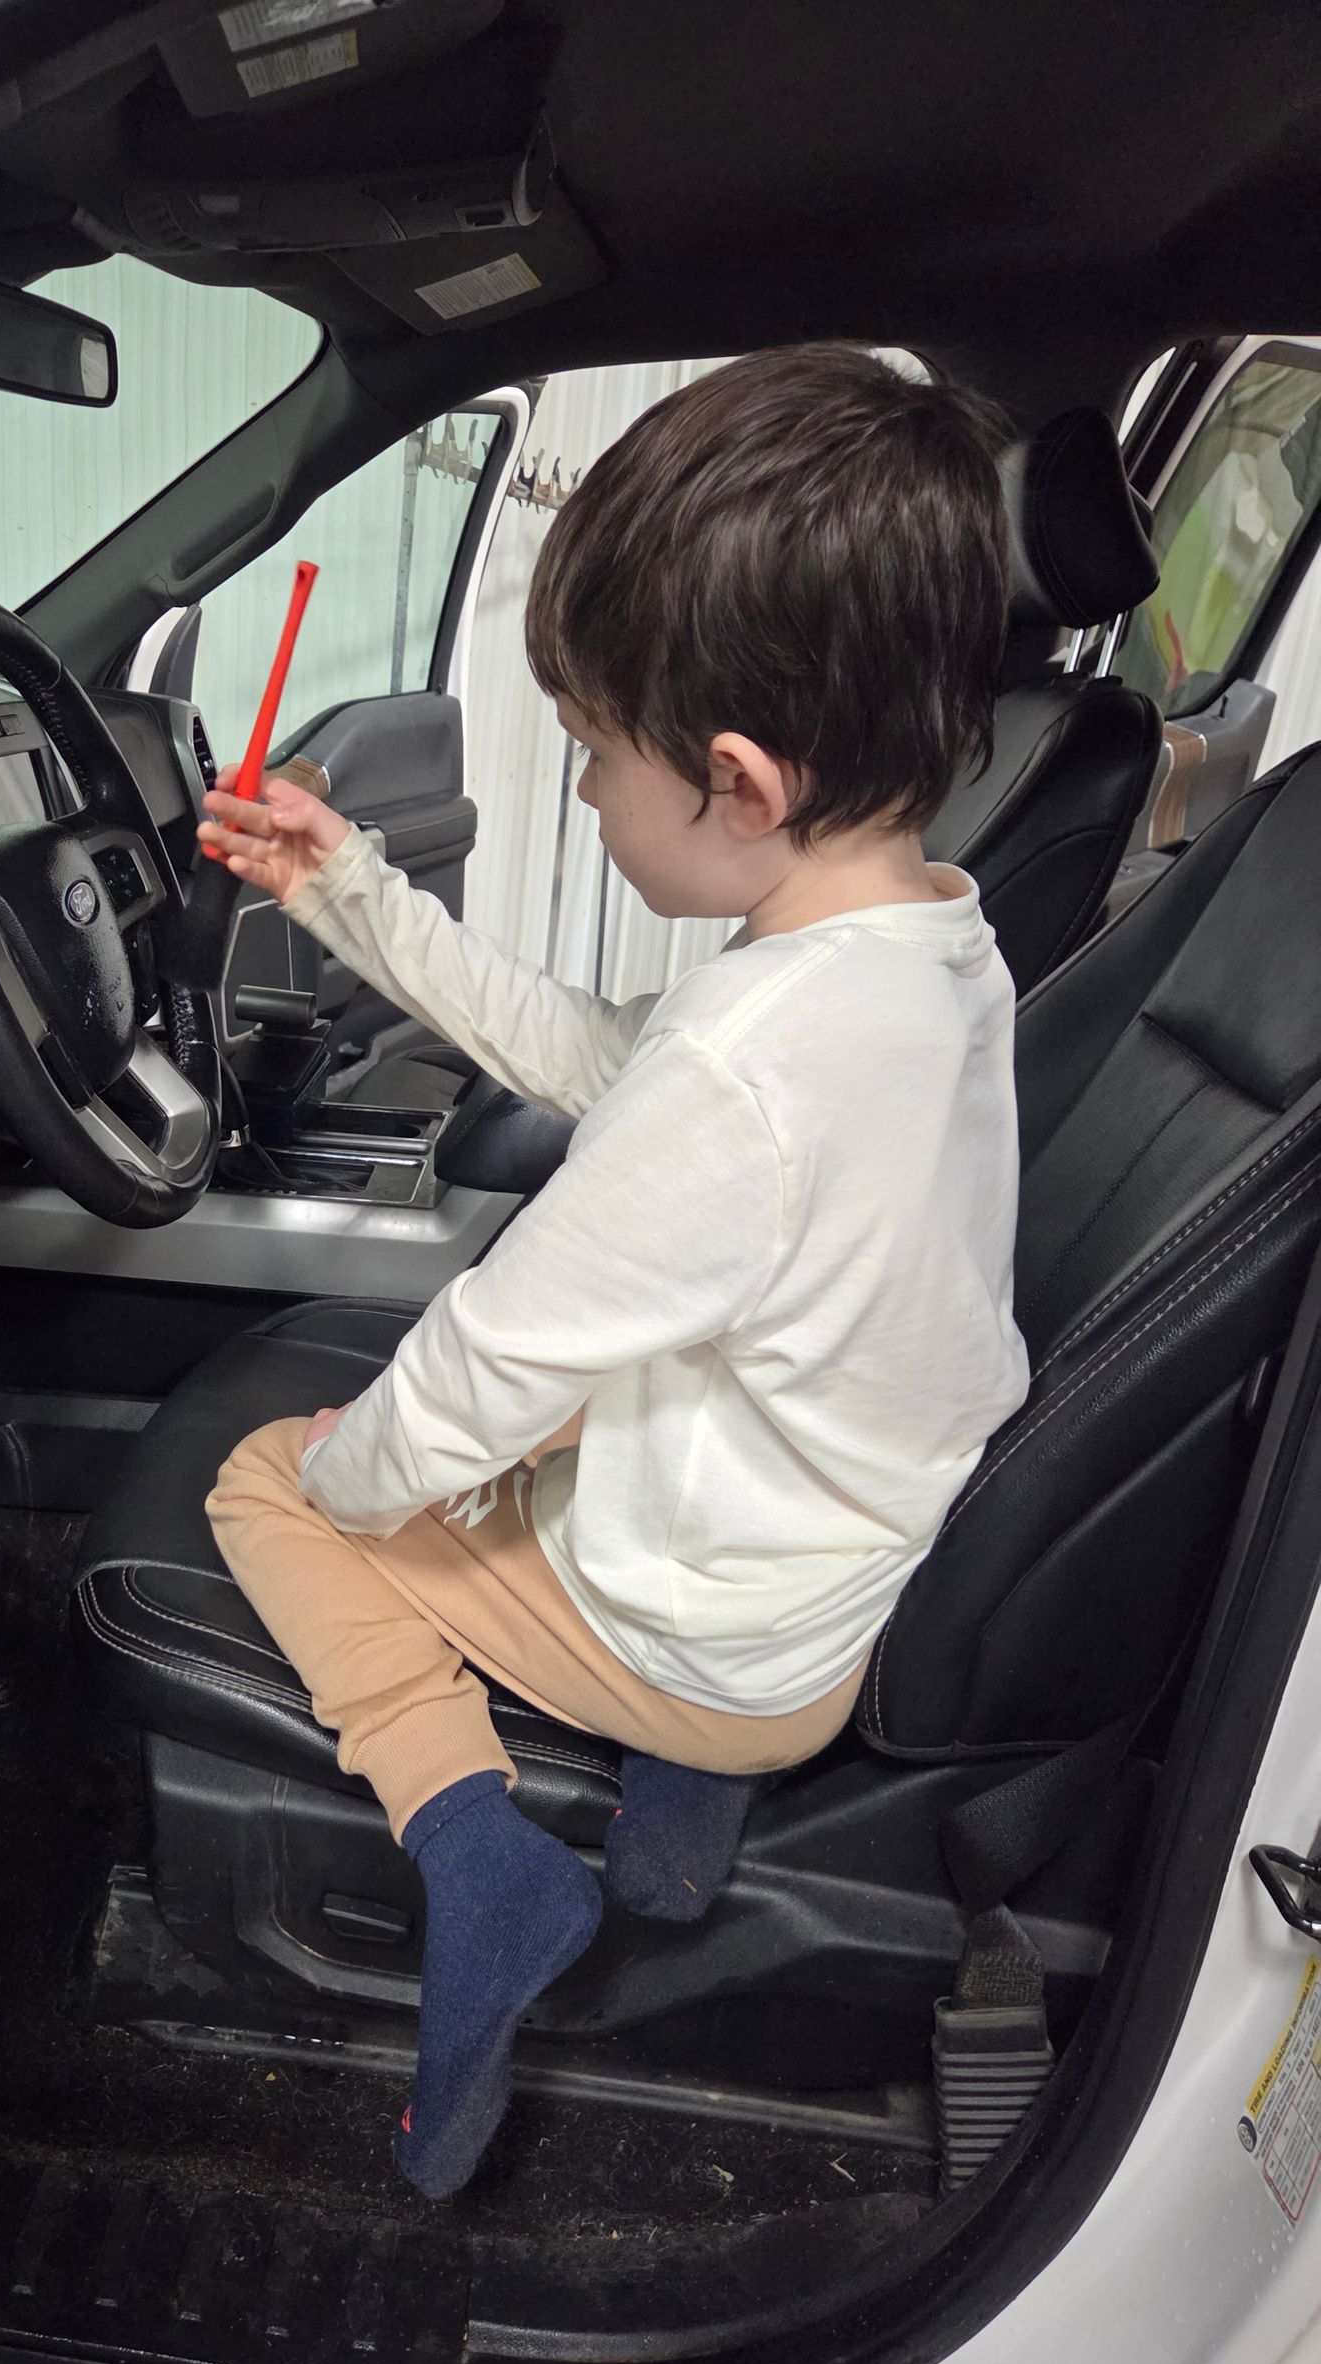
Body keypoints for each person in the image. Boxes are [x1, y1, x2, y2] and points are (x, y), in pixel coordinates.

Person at [197, 343, 1031, 2200]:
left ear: (736, 779)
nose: (575, 790)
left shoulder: (747, 1072)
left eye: (588, 752)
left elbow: (477, 1364)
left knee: (271, 1486)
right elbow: (603, 1062)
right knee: (539, 1429)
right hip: (818, 1569)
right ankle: (675, 1811)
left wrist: (356, 1473)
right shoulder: (917, 959)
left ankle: (480, 1862)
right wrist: (350, 893)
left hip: (715, 1643)